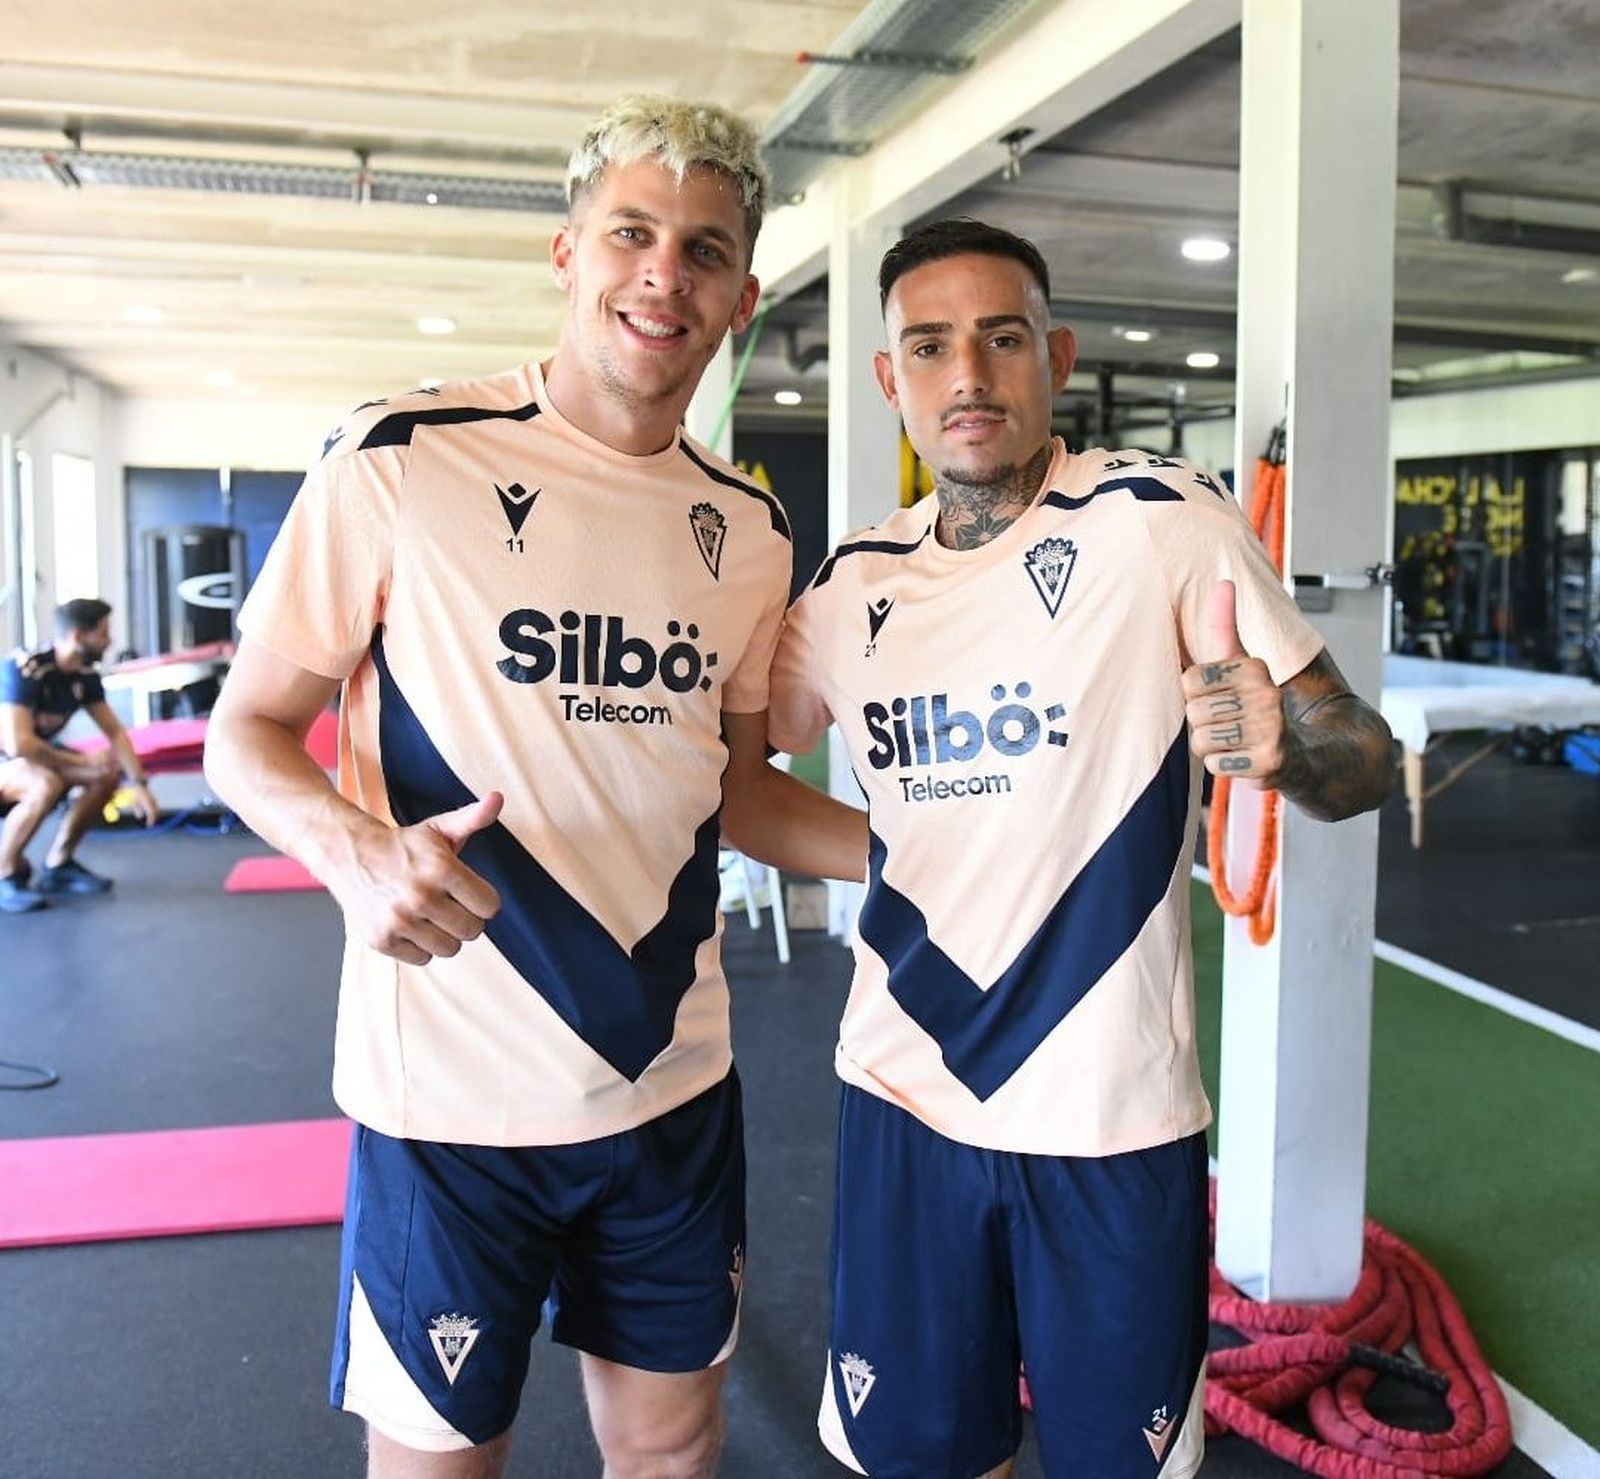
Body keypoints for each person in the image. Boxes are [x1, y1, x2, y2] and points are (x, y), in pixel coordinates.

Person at [203, 96, 863, 1478]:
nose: (663, 274)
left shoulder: (750, 528)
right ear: (568, 253)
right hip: (448, 1100)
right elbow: (245, 731)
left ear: (743, 296)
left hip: (670, 1081)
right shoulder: (401, 456)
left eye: (704, 249)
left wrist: (940, 848)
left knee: (673, 1449)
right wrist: (352, 849)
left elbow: (742, 792)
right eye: (631, 233)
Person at [768, 218, 1395, 1479]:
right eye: (928, 347)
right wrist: (901, 857)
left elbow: (1362, 762)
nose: (967, 375)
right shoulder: (849, 584)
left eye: (1001, 339)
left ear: (1053, 356)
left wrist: (1280, 750)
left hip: (1111, 1114)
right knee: (927, 1461)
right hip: (905, 1096)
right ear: (889, 379)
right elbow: (732, 784)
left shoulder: (1162, 518)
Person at [0, 598, 160, 913]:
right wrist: (82, 761)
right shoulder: (25, 668)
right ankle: (6, 872)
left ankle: (58, 864)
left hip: (31, 760)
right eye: (103, 633)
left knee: (106, 775)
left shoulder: (84, 677)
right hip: (8, 759)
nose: (110, 640)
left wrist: (139, 784)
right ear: (77, 636)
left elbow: (115, 732)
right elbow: (18, 745)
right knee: (44, 783)